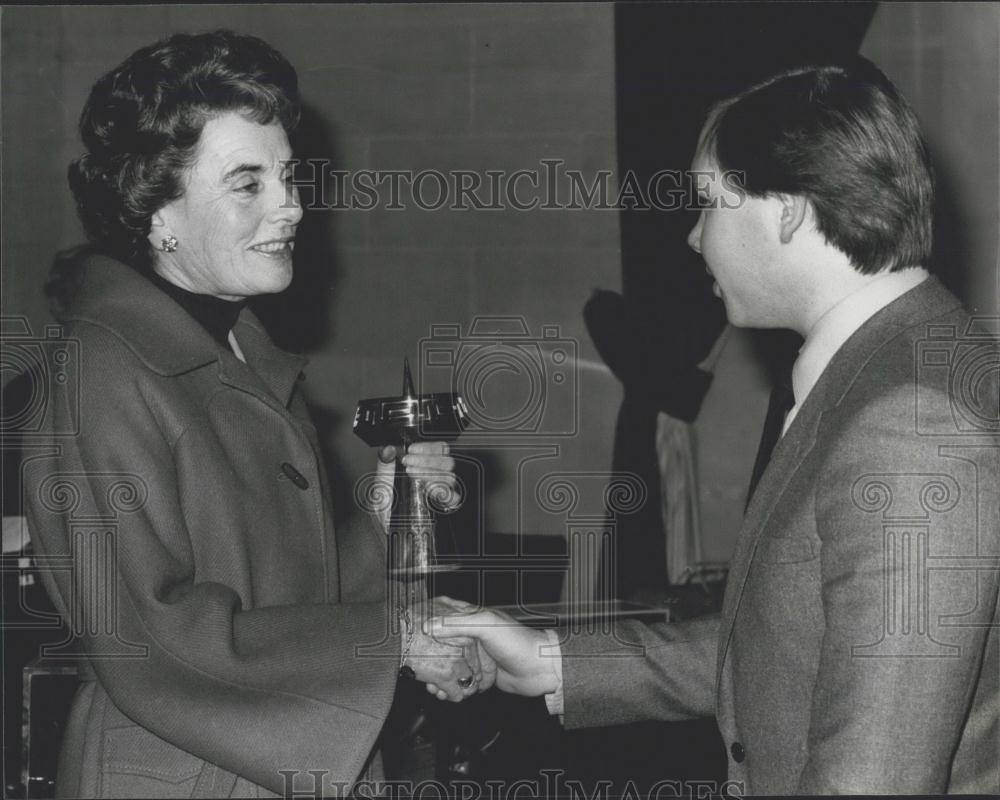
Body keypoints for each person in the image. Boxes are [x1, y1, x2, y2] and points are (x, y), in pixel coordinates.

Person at [429, 57, 1000, 794]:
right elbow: (799, 641)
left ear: (787, 208)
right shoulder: (902, 366)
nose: (695, 238)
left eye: (708, 203)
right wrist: (552, 661)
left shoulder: (908, 423)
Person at [23, 30, 481, 798]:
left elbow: (286, 599)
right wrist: (392, 640)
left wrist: (381, 518)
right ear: (156, 208)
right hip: (180, 770)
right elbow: (149, 635)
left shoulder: (237, 351)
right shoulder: (101, 367)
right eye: (248, 183)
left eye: (290, 176)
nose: (293, 207)